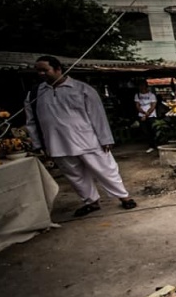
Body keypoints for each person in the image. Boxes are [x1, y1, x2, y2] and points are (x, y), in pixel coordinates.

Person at [25, 55, 137, 217]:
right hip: (57, 143)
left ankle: (124, 197)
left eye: (45, 70)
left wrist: (105, 138)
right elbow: (31, 121)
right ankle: (90, 202)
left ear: (58, 69)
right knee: (75, 175)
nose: (41, 73)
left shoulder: (82, 89)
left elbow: (98, 115)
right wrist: (38, 144)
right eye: (38, 71)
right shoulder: (35, 94)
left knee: (105, 170)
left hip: (87, 140)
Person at [134, 82, 158, 153]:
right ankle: (151, 145)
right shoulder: (137, 95)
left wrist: (146, 115)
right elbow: (137, 105)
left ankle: (154, 145)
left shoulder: (151, 95)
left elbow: (153, 106)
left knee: (152, 130)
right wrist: (142, 112)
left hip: (151, 115)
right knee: (145, 131)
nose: (141, 88)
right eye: (140, 86)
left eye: (142, 86)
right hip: (142, 115)